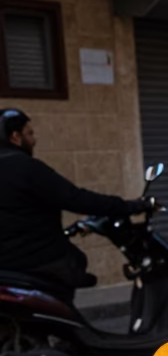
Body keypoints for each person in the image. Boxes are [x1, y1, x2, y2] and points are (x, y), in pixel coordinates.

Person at [0, 108, 149, 300]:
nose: (34, 140)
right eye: (30, 133)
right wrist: (130, 206)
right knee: (76, 261)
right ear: (15, 136)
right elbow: (76, 198)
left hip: (6, 266)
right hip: (36, 261)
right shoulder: (27, 168)